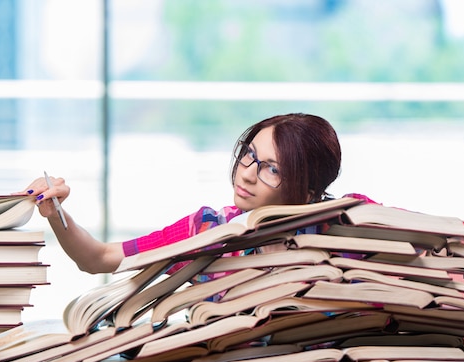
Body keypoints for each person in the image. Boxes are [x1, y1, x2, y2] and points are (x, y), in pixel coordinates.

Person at [19, 113, 370, 279]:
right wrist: (56, 214)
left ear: (308, 191)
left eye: (272, 169)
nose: (247, 172)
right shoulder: (209, 228)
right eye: (249, 154)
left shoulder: (353, 223)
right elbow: (98, 258)